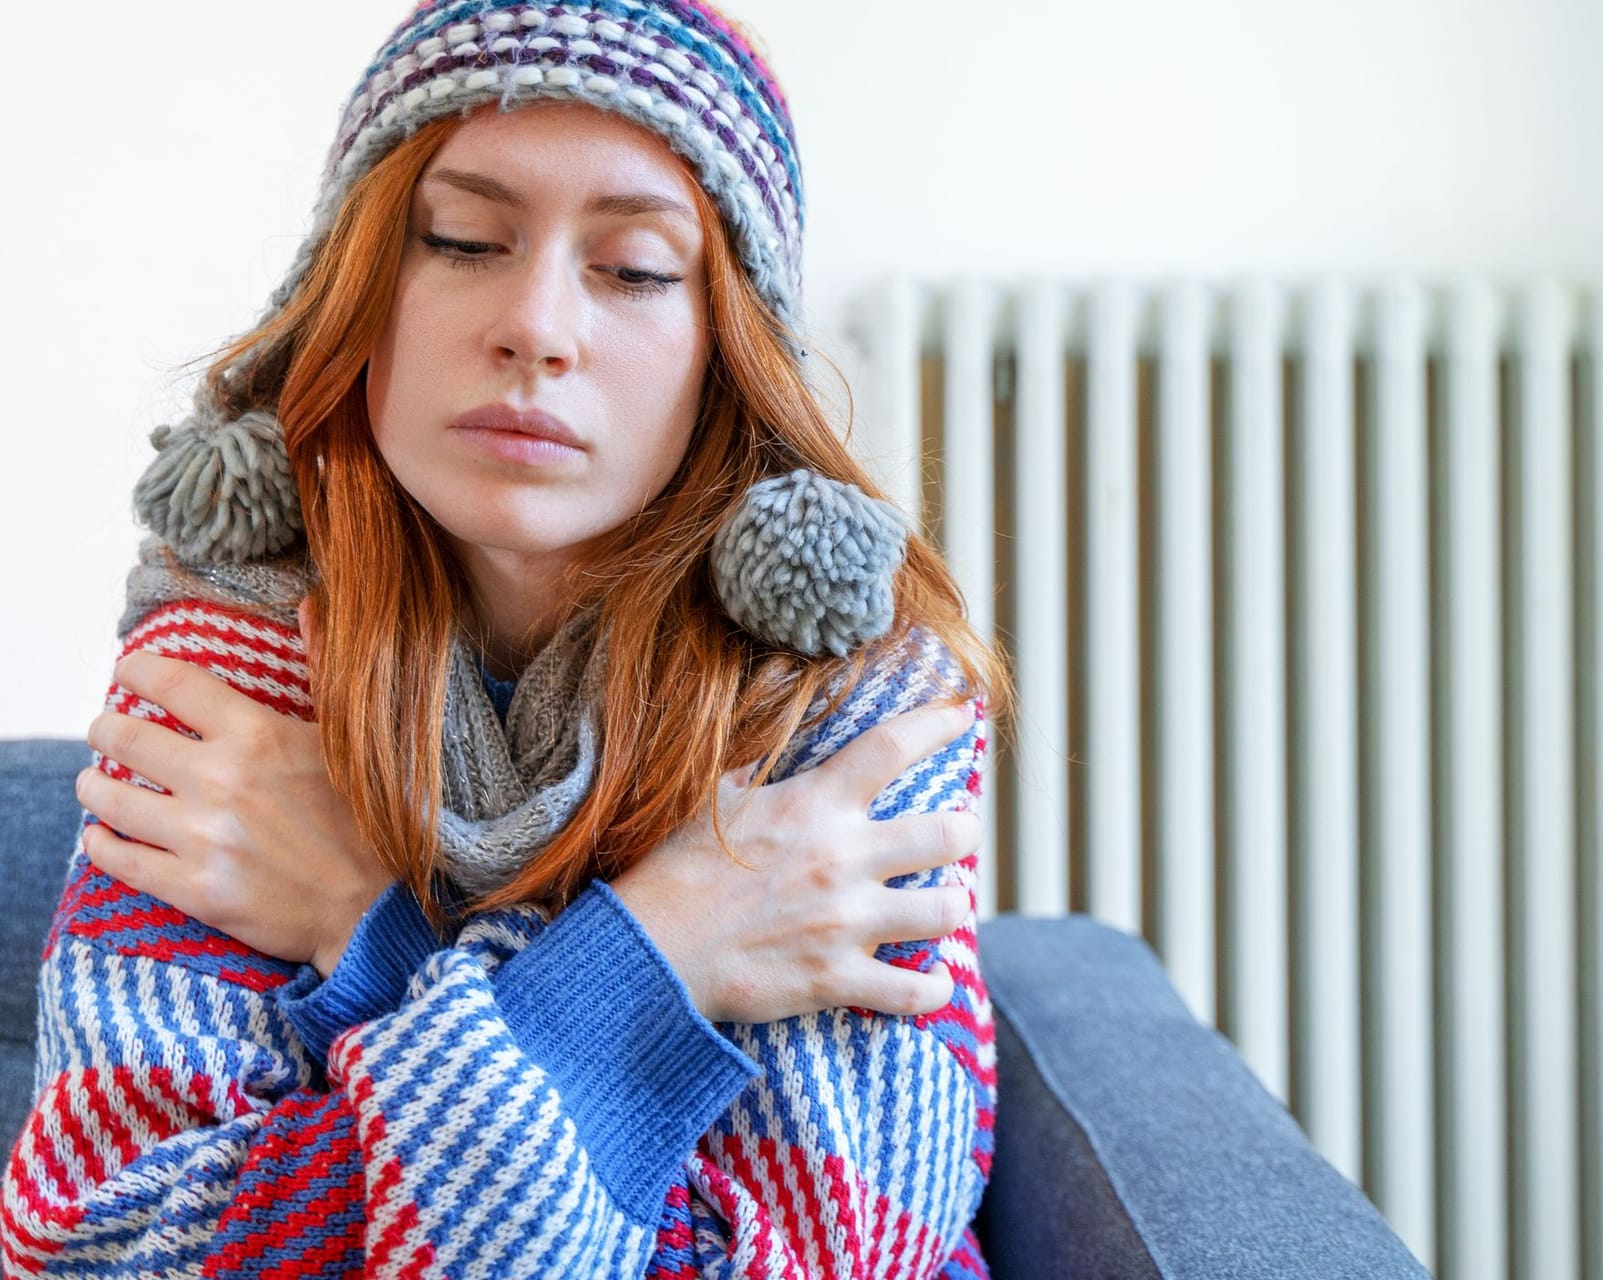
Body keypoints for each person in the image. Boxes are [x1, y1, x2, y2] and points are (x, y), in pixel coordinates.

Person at [1, 3, 1007, 1276]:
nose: (536, 325)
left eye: (636, 268)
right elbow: (94, 1242)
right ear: (360, 288)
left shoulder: (856, 707)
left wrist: (370, 938)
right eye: (465, 240)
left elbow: (823, 1253)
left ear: (727, 346)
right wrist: (659, 961)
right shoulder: (229, 666)